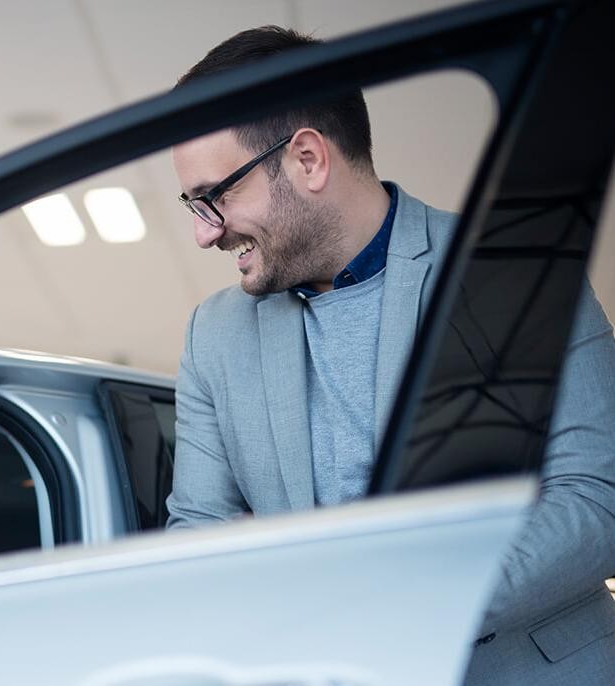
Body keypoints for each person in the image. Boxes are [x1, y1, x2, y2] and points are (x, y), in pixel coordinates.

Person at [165, 26, 615, 685]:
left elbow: (594, 498)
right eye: (192, 204)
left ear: (308, 160)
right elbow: (196, 535)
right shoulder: (213, 334)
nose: (205, 231)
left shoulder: (516, 271)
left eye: (215, 196)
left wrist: (408, 605)